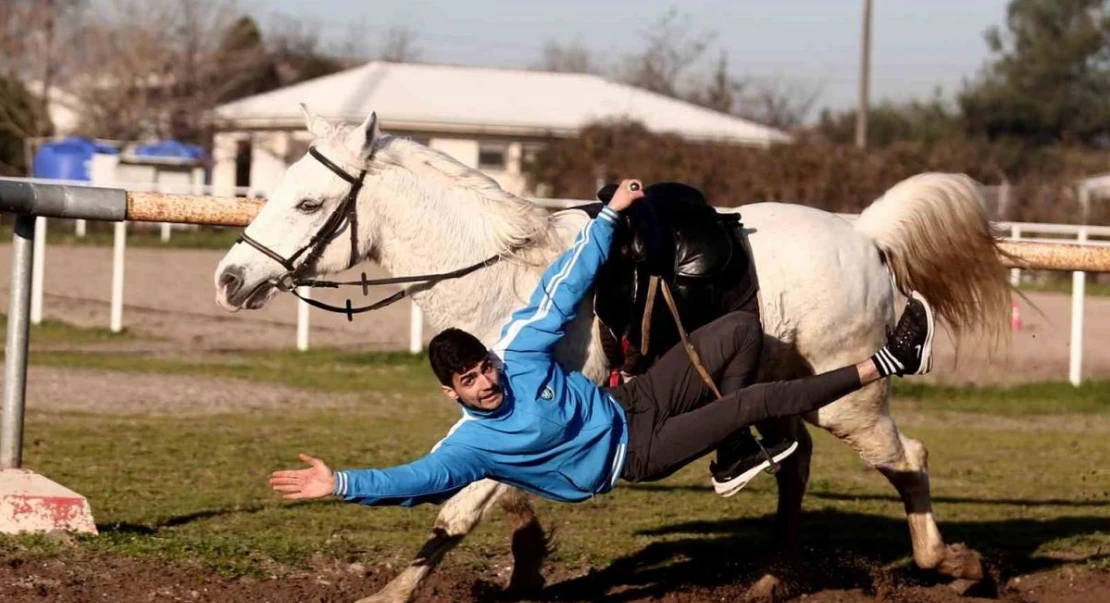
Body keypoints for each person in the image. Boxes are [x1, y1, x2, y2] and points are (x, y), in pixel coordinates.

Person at [269, 179, 935, 506]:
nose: (488, 382)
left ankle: (737, 451)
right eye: (471, 382)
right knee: (756, 401)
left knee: (737, 330)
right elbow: (420, 478)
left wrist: (612, 214)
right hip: (632, 452)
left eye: (484, 367)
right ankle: (885, 360)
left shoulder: (520, 351)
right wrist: (343, 483)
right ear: (453, 394)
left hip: (634, 401)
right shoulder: (473, 444)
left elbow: (566, 284)